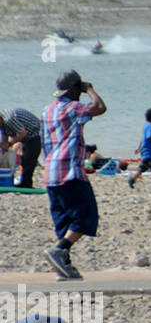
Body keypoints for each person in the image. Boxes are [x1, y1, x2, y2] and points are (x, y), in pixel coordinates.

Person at [40, 70, 107, 280]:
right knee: (86, 213)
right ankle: (60, 250)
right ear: (73, 89)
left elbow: (45, 142)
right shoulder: (72, 108)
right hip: (69, 170)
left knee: (64, 220)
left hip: (50, 171)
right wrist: (90, 89)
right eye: (78, 88)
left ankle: (62, 266)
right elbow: (100, 107)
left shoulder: (47, 111)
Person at [0, 106, 45, 188]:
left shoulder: (9, 119)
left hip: (35, 133)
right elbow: (4, 133)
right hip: (26, 136)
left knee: (29, 159)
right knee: (24, 159)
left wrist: (10, 144)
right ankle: (24, 182)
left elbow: (22, 133)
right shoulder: (3, 122)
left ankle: (26, 184)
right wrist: (4, 146)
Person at [127, 107, 151, 190]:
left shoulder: (146, 126)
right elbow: (149, 136)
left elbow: (142, 139)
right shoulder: (150, 126)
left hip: (150, 151)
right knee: (145, 167)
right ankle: (132, 179)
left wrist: (138, 148)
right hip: (149, 152)